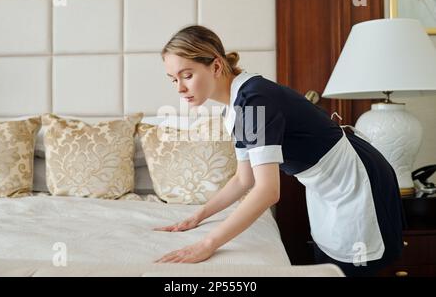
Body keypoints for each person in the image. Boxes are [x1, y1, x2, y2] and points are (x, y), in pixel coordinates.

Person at [153, 25, 404, 277]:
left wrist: (206, 245)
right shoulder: (234, 107)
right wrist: (198, 216)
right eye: (173, 79)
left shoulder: (254, 100)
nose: (179, 88)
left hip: (355, 177)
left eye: (186, 75)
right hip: (325, 184)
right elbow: (244, 178)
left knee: (356, 266)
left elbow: (267, 191)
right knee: (332, 267)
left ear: (216, 66)